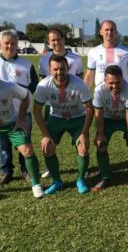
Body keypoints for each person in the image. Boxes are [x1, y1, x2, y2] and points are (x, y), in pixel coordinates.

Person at [0, 59, 43, 198]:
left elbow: (26, 97)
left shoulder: (9, 87)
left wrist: (20, 119)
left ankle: (36, 184)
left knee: (28, 151)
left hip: (11, 124)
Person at [33, 55, 94, 195]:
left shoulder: (79, 84)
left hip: (77, 117)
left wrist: (84, 133)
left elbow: (89, 109)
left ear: (68, 68)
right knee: (47, 148)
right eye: (55, 69)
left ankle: (80, 179)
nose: (59, 72)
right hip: (56, 117)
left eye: (62, 69)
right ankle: (57, 181)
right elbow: (36, 110)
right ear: (49, 70)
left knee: (83, 148)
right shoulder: (43, 86)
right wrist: (45, 135)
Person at [0, 29, 38, 186]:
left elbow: (33, 85)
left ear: (17, 45)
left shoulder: (26, 64)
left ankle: (25, 170)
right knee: (4, 145)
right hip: (0, 114)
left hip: (22, 113)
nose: (10, 46)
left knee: (24, 142)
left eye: (13, 43)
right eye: (6, 43)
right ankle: (6, 171)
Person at [38, 28, 84, 179]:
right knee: (51, 138)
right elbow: (42, 81)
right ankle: (50, 168)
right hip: (52, 104)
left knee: (79, 140)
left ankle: (81, 169)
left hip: (73, 105)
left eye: (58, 39)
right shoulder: (44, 59)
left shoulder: (75, 59)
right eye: (52, 40)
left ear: (64, 39)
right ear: (49, 42)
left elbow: (80, 80)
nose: (56, 42)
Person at [92, 65, 128, 193]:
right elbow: (98, 114)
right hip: (107, 119)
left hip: (126, 119)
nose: (115, 86)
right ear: (105, 81)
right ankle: (105, 177)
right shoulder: (99, 90)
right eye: (111, 83)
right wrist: (100, 134)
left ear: (123, 79)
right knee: (100, 144)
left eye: (118, 82)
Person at [84, 20, 128, 104]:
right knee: (100, 117)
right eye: (106, 30)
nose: (109, 32)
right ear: (101, 32)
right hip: (102, 95)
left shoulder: (127, 51)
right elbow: (89, 75)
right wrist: (84, 95)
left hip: (123, 94)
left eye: (112, 30)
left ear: (116, 32)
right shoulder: (93, 52)